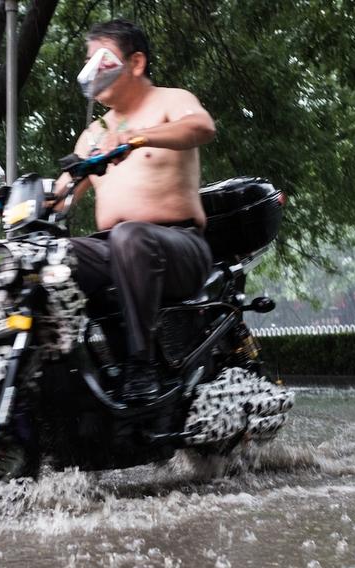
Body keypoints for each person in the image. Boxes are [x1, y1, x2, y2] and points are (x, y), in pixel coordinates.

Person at [57, 19, 216, 403]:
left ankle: (141, 366)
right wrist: (18, 198)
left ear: (136, 62)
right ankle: (61, 373)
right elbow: (62, 194)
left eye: (103, 60)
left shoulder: (170, 100)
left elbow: (202, 126)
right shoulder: (93, 134)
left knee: (130, 234)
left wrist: (137, 137)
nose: (92, 71)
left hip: (179, 247)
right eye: (88, 62)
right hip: (113, 250)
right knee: (51, 257)